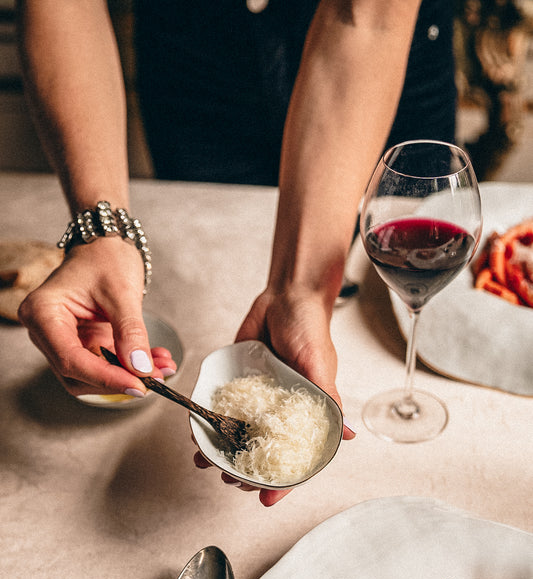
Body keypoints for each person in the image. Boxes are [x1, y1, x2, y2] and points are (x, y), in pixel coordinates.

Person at [15, 0, 456, 505]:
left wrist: (301, 290)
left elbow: (368, 15)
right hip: (194, 52)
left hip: (377, 50)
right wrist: (102, 233)